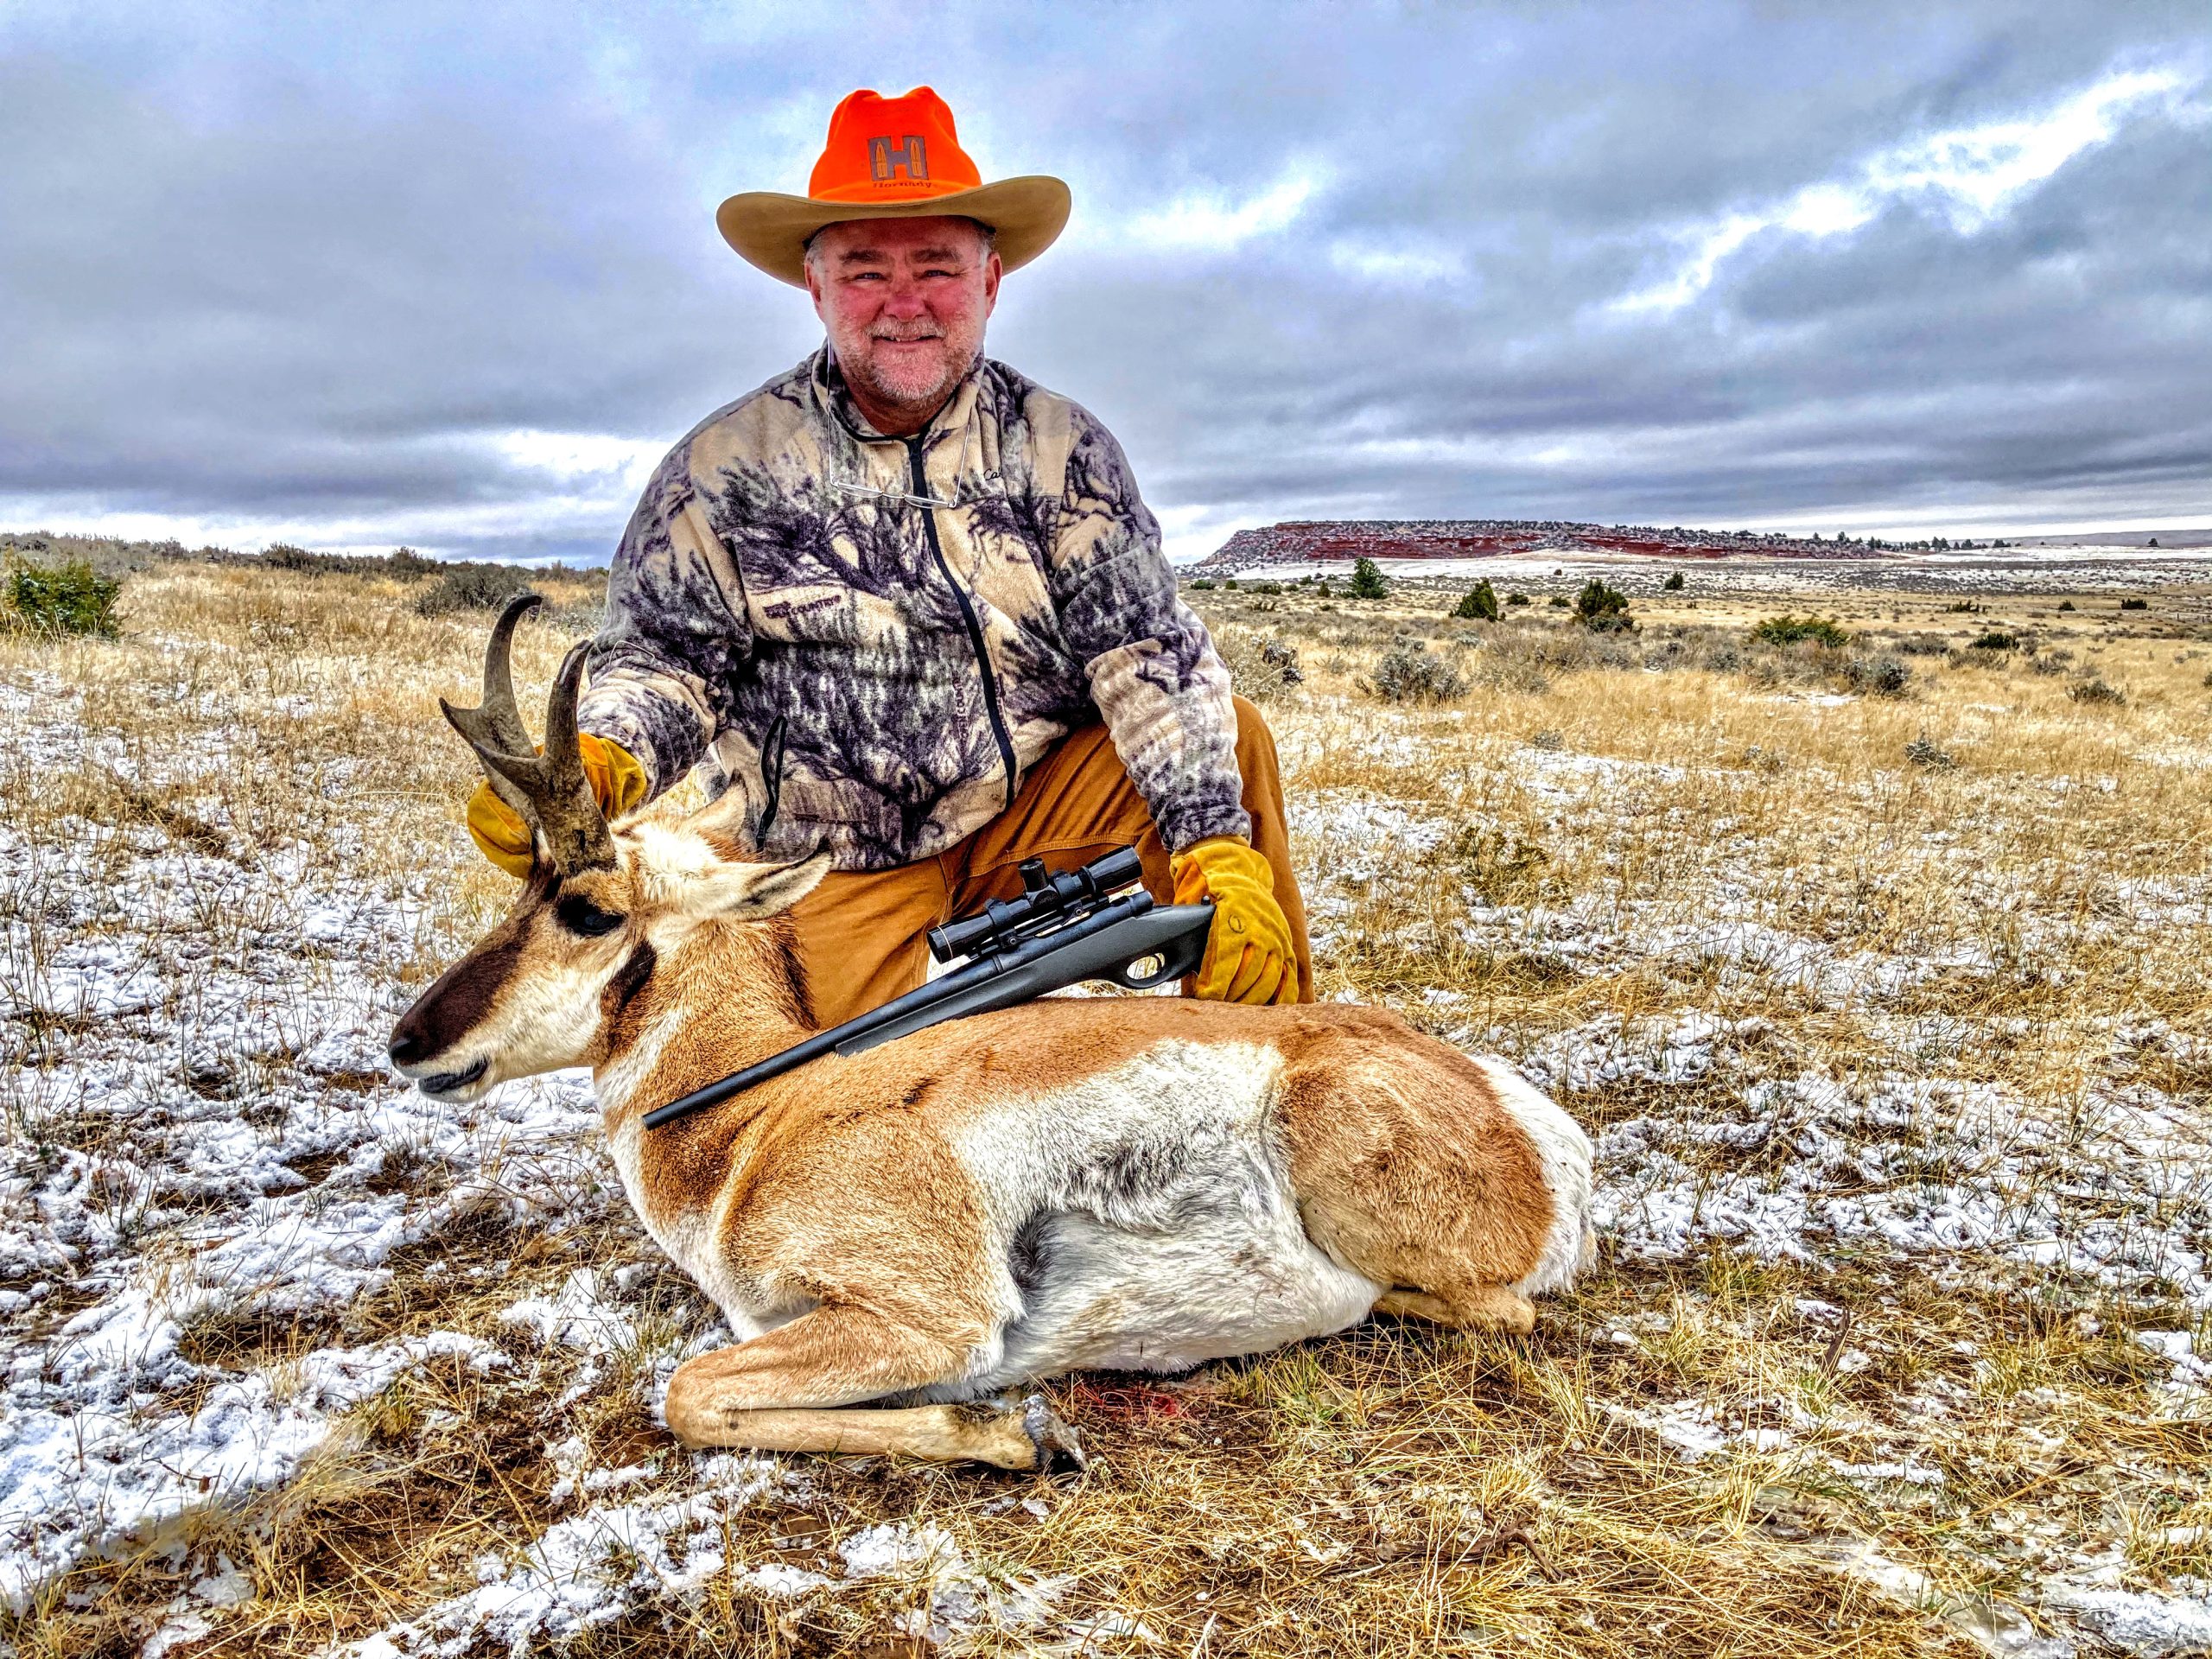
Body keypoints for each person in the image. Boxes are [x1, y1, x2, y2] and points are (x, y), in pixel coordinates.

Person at [467, 86, 1312, 1025]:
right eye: (865, 270)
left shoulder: (1061, 448)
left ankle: (1281, 1056)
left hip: (1032, 812)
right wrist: (604, 756)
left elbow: (1146, 651)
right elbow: (663, 661)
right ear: (814, 286)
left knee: (1228, 738)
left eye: (936, 266)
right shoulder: (721, 467)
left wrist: (1213, 846)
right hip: (832, 856)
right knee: (828, 1112)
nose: (904, 303)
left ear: (989, 282)